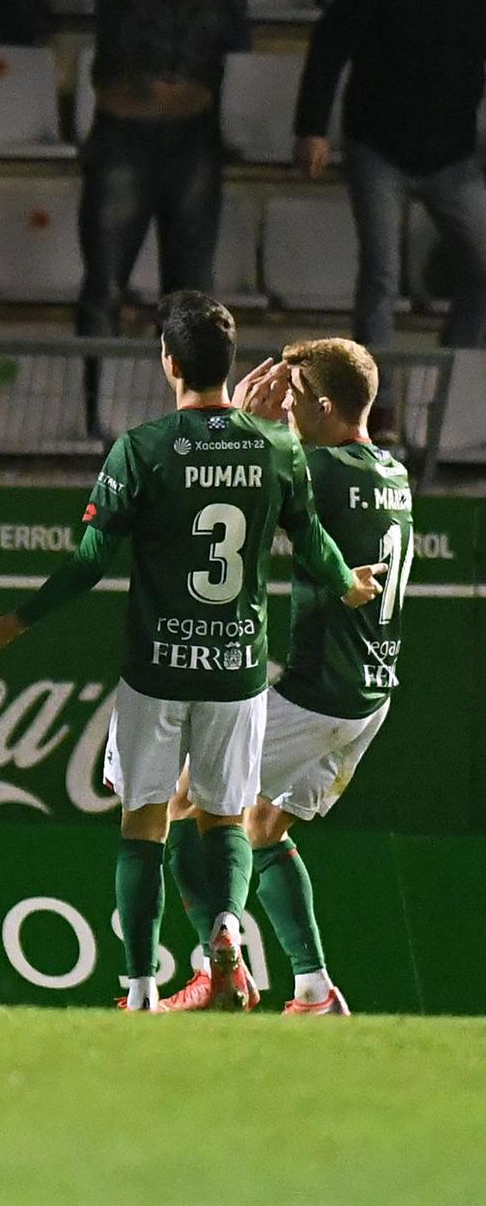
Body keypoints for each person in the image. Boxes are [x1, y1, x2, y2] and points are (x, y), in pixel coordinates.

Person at [0, 292, 384, 1012]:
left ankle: (141, 987)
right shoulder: (275, 448)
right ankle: (225, 933)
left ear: (169, 362)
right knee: (225, 815)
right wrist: (345, 584)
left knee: (145, 819)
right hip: (238, 671)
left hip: (158, 669)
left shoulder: (142, 448)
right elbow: (312, 542)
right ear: (231, 363)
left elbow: (90, 560)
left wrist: (18, 622)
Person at [157, 340, 408, 1017]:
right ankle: (314, 989)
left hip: (317, 692)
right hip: (368, 693)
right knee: (263, 823)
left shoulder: (319, 471)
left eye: (293, 397)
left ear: (324, 407)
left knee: (185, 802)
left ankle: (218, 969)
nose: (283, 405)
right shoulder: (393, 471)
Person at [53, 0, 294, 347]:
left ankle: (186, 417)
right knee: (103, 288)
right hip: (123, 129)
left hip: (195, 132)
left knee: (191, 300)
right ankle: (93, 409)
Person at [294, 0, 486, 427]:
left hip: (452, 153)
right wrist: (312, 127)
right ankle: (379, 410)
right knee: (381, 278)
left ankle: (451, 389)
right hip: (378, 144)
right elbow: (331, 43)